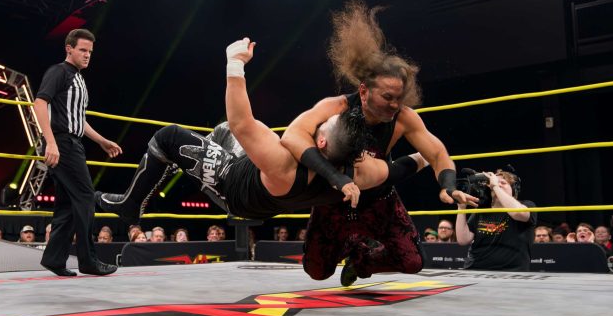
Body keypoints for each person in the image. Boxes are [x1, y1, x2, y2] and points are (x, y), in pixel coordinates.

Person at [96, 38, 427, 229]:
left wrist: (235, 62)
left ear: (321, 141)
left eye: (321, 127)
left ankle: (130, 204)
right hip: (269, 197)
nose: (316, 125)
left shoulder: (283, 162)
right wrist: (424, 158)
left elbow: (242, 121)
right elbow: (398, 170)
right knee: (226, 131)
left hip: (234, 188)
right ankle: (191, 163)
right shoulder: (360, 175)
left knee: (168, 137)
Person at [279, 0, 477, 286]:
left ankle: (361, 259)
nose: (394, 104)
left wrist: (448, 186)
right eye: (387, 97)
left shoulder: (404, 117)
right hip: (335, 199)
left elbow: (437, 153)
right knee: (317, 272)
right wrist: (335, 177)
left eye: (399, 97)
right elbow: (291, 135)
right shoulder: (336, 107)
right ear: (364, 91)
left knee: (412, 261)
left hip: (379, 200)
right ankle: (349, 244)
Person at [33, 28, 122, 277]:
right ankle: (88, 260)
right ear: (69, 49)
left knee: (68, 204)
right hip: (63, 144)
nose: (87, 55)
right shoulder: (59, 71)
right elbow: (39, 103)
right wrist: (51, 142)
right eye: (82, 50)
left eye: (90, 51)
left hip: (71, 142)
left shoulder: (79, 79)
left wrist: (101, 140)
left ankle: (54, 259)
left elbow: (78, 119)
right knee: (85, 197)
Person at [455, 170, 536, 271]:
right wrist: (461, 208)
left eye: (503, 183)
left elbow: (517, 213)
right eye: (495, 182)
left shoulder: (527, 205)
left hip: (511, 271)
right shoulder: (482, 210)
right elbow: (463, 239)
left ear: (513, 189)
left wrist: (496, 187)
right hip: (476, 269)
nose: (498, 184)